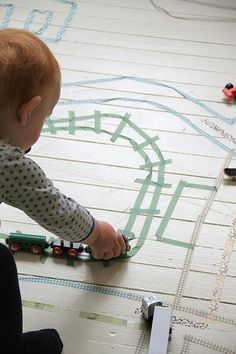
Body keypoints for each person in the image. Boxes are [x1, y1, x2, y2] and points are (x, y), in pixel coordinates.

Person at [0, 28, 126, 354]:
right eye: (43, 118)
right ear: (27, 111)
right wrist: (97, 234)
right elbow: (54, 209)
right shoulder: (6, 163)